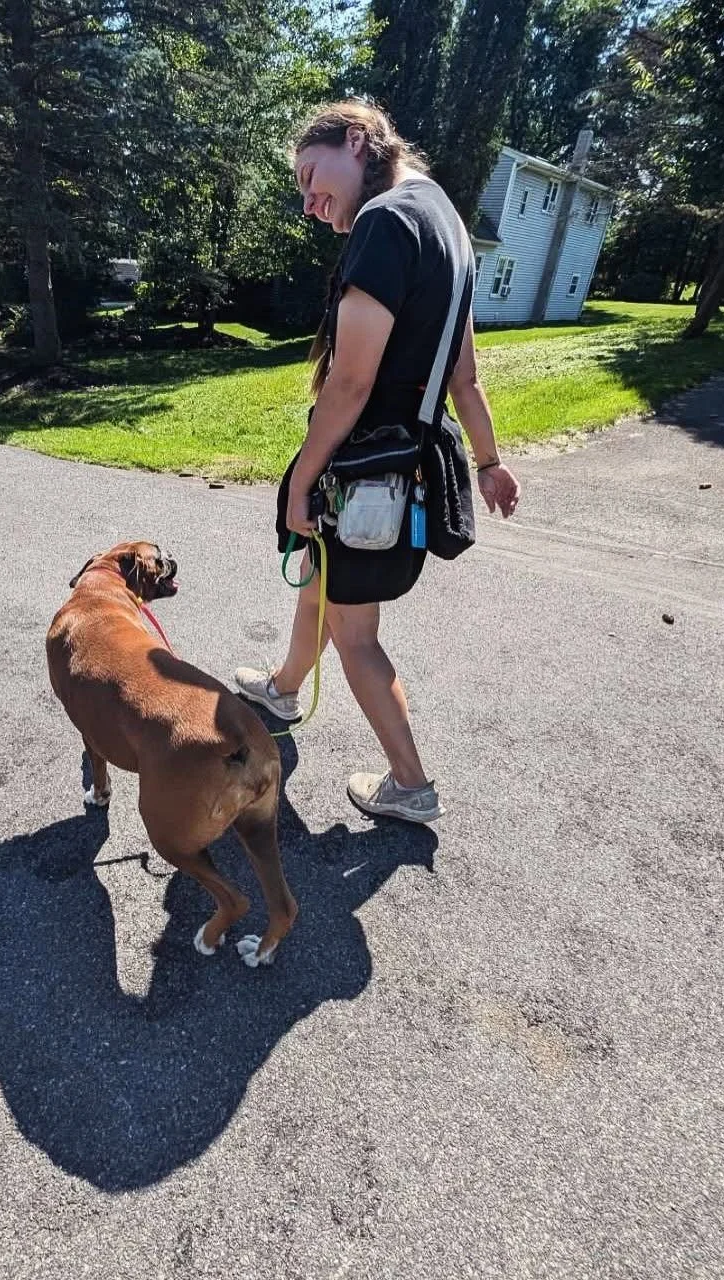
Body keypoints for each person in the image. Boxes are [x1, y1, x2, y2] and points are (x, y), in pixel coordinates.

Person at [234, 99, 521, 825]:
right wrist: (489, 461)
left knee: (356, 636)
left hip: (365, 474)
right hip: (406, 468)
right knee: (319, 581)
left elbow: (352, 381)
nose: (308, 202)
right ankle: (284, 689)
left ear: (357, 141)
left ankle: (411, 784)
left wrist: (299, 481)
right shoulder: (447, 225)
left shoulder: (385, 222)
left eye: (310, 176)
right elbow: (464, 377)